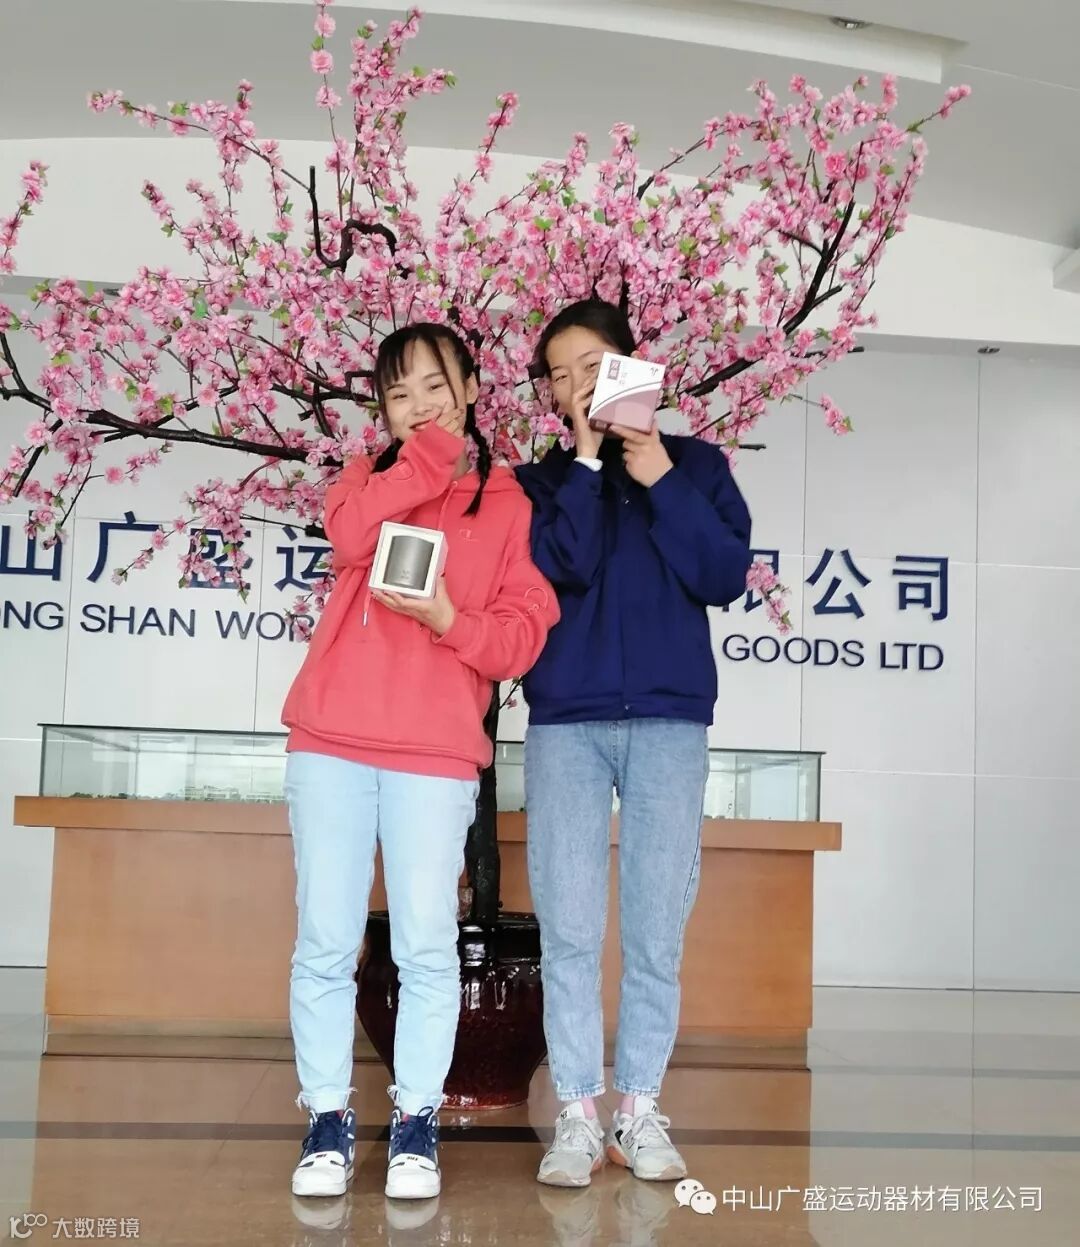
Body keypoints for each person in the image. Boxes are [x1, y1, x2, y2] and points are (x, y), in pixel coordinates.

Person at [281, 323, 559, 1201]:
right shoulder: (367, 479)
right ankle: (327, 1117)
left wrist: (447, 620)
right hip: (330, 739)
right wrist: (423, 461)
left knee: (427, 945)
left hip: (435, 753)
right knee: (326, 940)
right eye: (398, 394)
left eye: (436, 386)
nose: (419, 406)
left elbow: (520, 636)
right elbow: (346, 536)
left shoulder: (509, 503)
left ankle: (414, 1122)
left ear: (472, 387)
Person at [516, 298, 752, 1187]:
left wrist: (658, 474)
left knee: (656, 930)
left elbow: (723, 574)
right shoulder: (540, 483)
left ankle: (639, 1107)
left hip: (668, 721)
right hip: (567, 723)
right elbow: (560, 566)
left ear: (631, 365)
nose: (576, 385)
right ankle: (578, 1115)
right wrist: (586, 462)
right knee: (570, 929)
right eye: (560, 375)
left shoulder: (697, 465)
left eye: (593, 366)